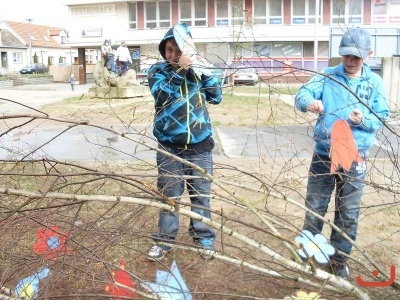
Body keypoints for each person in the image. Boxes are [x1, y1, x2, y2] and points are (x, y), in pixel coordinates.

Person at [295, 27, 390, 278]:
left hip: (354, 158)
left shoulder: (374, 82)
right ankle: (309, 255)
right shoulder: (327, 76)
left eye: (357, 57)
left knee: (347, 212)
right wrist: (309, 102)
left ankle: (339, 260)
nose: (350, 61)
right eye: (347, 55)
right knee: (315, 206)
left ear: (368, 55)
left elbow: (381, 116)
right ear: (340, 53)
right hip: (323, 155)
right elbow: (301, 94)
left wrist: (363, 119)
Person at [147, 23, 223, 261]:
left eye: (177, 49)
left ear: (187, 50)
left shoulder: (198, 71)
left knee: (201, 196)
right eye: (168, 50)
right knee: (169, 197)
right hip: (170, 149)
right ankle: (165, 240)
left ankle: (203, 237)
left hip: (201, 147)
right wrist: (180, 70)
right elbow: (162, 96)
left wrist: (204, 71)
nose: (172, 54)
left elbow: (217, 96)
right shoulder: (158, 71)